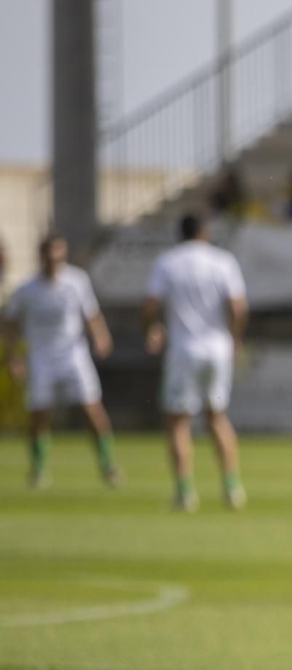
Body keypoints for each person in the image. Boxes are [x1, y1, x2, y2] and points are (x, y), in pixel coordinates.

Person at [143, 213, 249, 512]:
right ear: (205, 231)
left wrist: (151, 329)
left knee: (178, 421)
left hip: (183, 350)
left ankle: (185, 491)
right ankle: (232, 486)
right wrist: (235, 339)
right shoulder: (223, 261)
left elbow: (149, 304)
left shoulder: (168, 262)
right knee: (217, 416)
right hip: (218, 349)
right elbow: (238, 307)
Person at [1, 235, 120, 489]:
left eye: (60, 255)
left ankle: (108, 464)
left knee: (92, 410)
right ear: (42, 257)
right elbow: (10, 324)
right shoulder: (27, 289)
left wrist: (100, 336)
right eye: (51, 255)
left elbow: (91, 314)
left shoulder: (77, 281)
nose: (56, 260)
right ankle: (38, 469)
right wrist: (13, 356)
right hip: (41, 357)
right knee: (39, 414)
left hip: (74, 355)